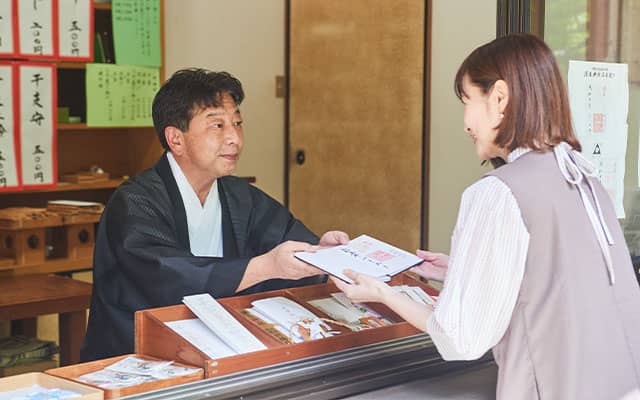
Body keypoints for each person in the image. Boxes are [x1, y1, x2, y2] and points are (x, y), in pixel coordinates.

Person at [334, 34, 640, 400]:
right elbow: (557, 280)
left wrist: (383, 293)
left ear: (499, 98)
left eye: (467, 101)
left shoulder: (498, 193)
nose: (465, 122)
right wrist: (458, 269)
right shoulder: (582, 175)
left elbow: (461, 338)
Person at [81, 68, 348, 361]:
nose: (235, 138)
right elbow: (166, 278)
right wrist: (267, 266)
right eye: (217, 126)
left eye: (237, 123)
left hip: (219, 350)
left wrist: (320, 256)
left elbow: (286, 243)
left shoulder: (240, 196)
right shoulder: (134, 201)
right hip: (140, 357)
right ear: (176, 139)